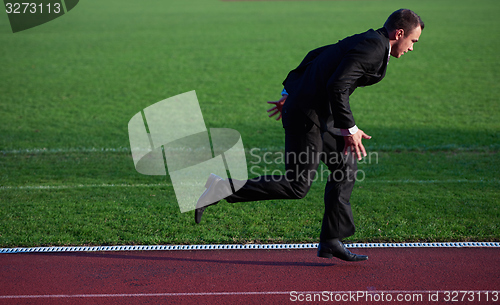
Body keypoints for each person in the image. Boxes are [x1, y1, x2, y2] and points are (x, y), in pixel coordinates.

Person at [195, 9, 424, 262]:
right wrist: (350, 129)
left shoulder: (370, 40)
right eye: (413, 41)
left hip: (314, 112)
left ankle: (331, 240)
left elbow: (316, 55)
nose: (412, 48)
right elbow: (337, 86)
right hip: (307, 116)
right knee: (297, 185)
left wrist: (288, 94)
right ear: (399, 33)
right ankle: (220, 187)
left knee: (345, 165)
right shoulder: (372, 47)